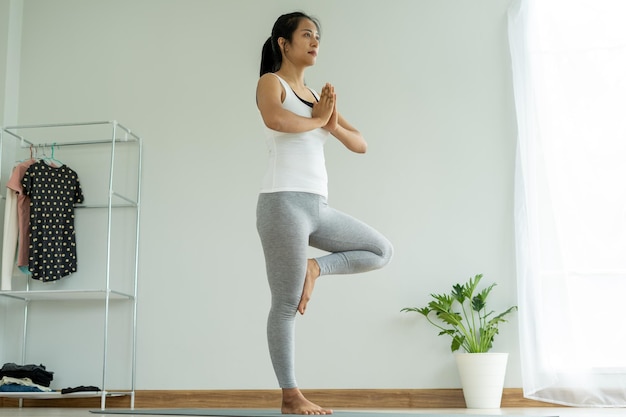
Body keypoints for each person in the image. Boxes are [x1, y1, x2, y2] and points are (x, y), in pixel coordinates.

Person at [256, 11, 393, 415]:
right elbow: (274, 118)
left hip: (318, 206)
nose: (315, 42)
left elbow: (361, 143)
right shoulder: (272, 83)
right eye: (307, 35)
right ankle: (290, 396)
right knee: (285, 302)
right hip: (282, 203)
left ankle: (315, 269)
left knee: (380, 250)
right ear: (284, 42)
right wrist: (316, 120)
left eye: (318, 36)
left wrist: (328, 123)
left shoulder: (318, 98)